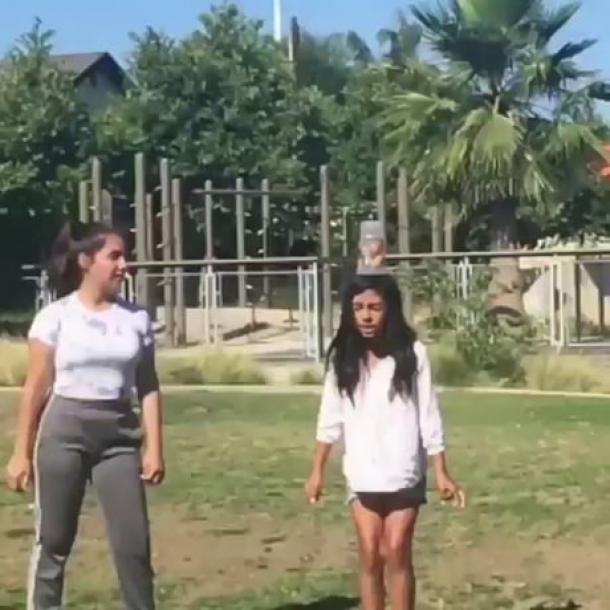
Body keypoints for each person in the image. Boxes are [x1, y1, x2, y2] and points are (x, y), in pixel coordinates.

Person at [4, 221, 164, 610]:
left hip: (119, 438)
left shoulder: (136, 318)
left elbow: (148, 385)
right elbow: (36, 387)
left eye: (125, 256)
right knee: (54, 541)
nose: (124, 265)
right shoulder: (55, 317)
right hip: (64, 432)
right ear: (85, 261)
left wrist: (155, 448)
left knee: (133, 544)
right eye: (115, 256)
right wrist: (20, 452)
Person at [305, 270, 466, 610]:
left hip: (404, 469)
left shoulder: (413, 354)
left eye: (375, 308)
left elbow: (429, 414)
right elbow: (329, 417)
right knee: (370, 553)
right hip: (362, 472)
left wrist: (441, 472)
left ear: (390, 309)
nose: (366, 316)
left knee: (396, 550)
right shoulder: (343, 359)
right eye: (359, 308)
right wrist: (317, 471)